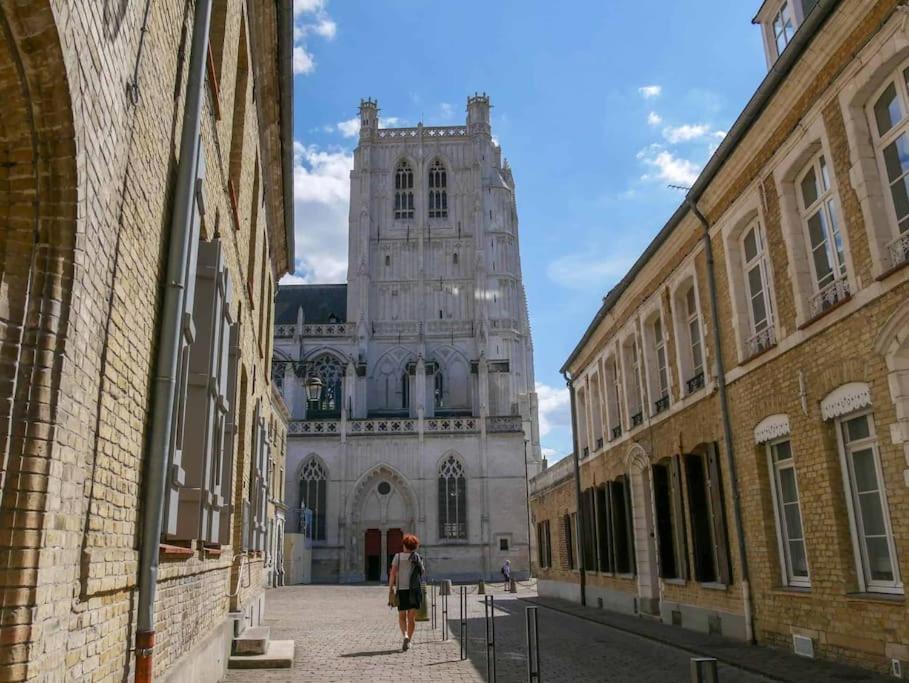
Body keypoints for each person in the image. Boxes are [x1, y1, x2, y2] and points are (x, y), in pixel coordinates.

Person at [388, 533, 424, 651]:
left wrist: (391, 588)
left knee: (402, 616)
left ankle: (405, 636)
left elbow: (392, 573)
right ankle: (409, 640)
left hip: (402, 590)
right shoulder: (417, 557)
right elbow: (422, 573)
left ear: (404, 545)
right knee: (411, 618)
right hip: (414, 590)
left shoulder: (397, 557)